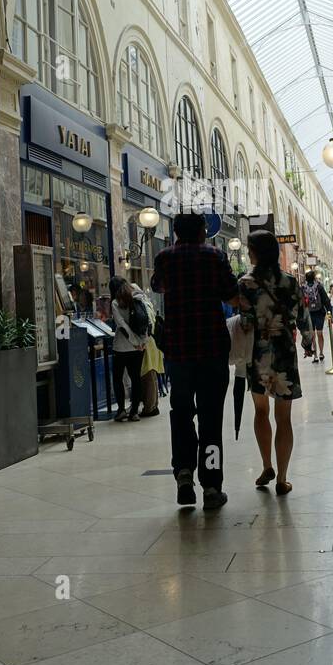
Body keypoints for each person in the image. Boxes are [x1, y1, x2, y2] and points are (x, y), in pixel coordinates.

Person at [151, 213, 238, 509]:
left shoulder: (165, 257)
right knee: (211, 419)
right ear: (202, 231)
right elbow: (231, 293)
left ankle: (184, 474)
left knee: (181, 414)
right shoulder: (215, 256)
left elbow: (157, 286)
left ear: (175, 233)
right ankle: (212, 486)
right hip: (212, 350)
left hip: (179, 352)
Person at [238, 230, 313, 496]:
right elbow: (303, 316)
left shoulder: (245, 283)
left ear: (255, 252)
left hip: (258, 352)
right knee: (284, 418)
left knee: (260, 412)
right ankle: (282, 478)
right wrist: (307, 341)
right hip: (283, 352)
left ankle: (266, 465)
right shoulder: (290, 282)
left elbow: (245, 322)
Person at [109, 276, 147, 422]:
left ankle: (121, 410)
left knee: (118, 378)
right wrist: (141, 341)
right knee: (136, 377)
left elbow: (122, 326)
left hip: (122, 347)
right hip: (139, 347)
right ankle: (135, 411)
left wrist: (132, 341)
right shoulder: (138, 294)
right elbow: (146, 317)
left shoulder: (115, 302)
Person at [303, 269, 330, 363]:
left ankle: (315, 355)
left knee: (313, 335)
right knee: (319, 333)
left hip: (309, 313)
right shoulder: (319, 287)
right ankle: (321, 353)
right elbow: (326, 300)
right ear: (314, 278)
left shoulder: (303, 288)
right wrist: (329, 311)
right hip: (319, 313)